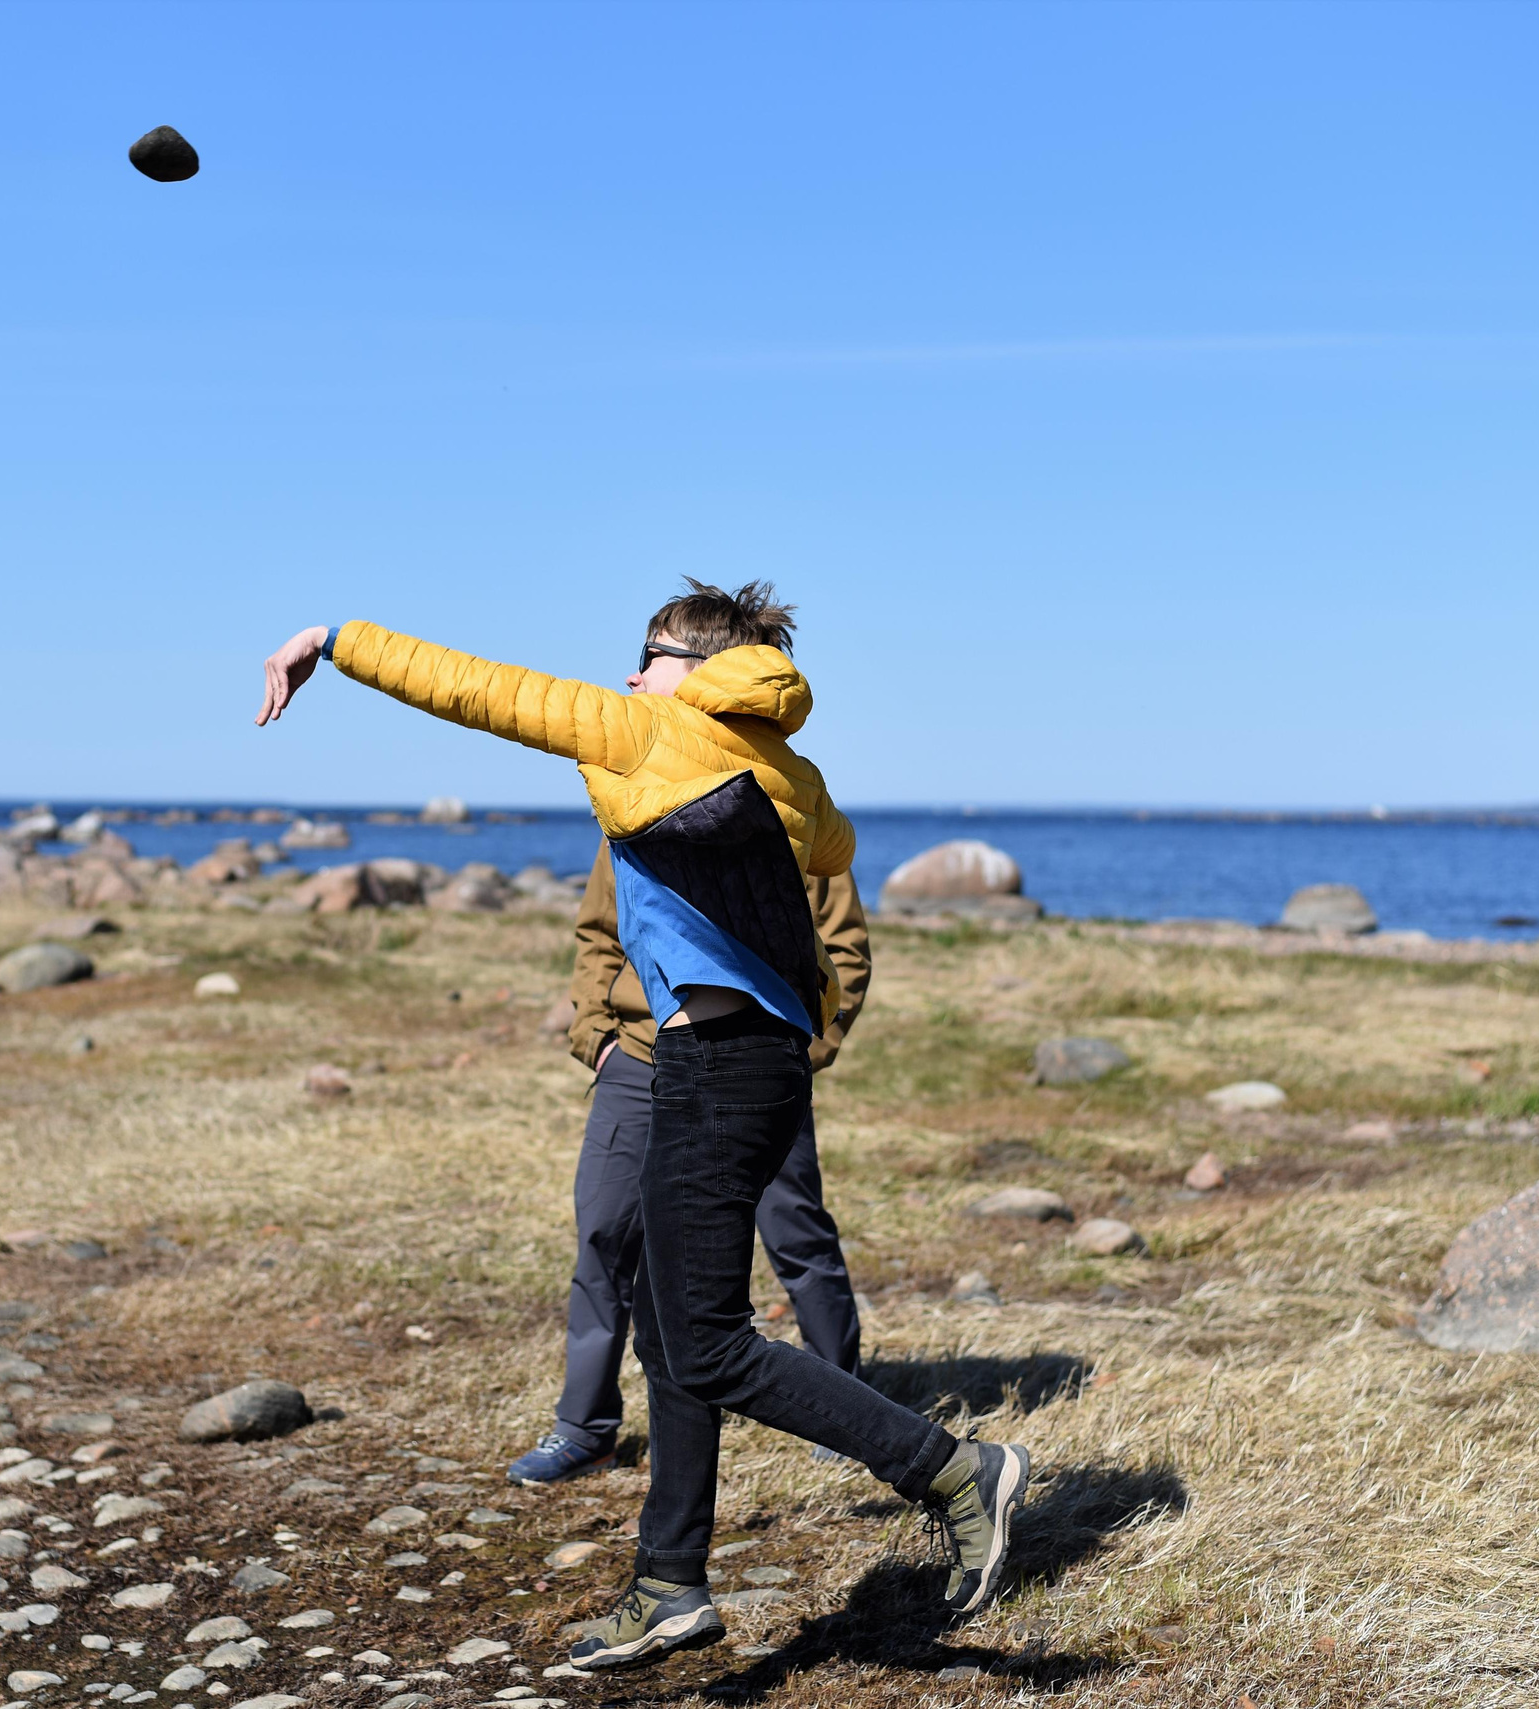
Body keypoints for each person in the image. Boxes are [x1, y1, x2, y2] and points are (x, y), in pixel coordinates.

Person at [256, 580, 1032, 1671]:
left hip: (716, 1064)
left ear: (694, 663)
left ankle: (952, 1468)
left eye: (649, 651)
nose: (628, 670)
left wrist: (331, 641)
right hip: (735, 1061)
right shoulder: (782, 764)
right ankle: (669, 1580)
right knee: (671, 1332)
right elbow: (831, 845)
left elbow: (474, 688)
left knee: (707, 1340)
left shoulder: (643, 728)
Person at [504, 839, 870, 1487]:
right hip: (641, 1062)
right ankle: (585, 1429)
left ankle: (845, 1412)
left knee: (795, 1230)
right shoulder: (632, 804)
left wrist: (800, 1049)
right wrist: (598, 1038)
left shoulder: (789, 799)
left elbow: (843, 947)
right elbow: (599, 931)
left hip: (758, 1063)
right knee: (604, 1235)